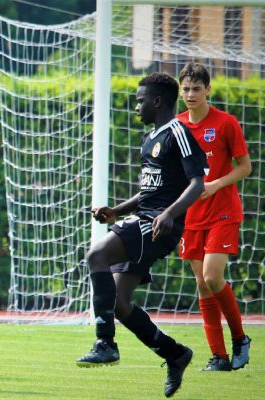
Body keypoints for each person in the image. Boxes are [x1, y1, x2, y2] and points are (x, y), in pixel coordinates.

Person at [75, 72, 207, 398]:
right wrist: (116, 211)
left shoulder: (179, 132)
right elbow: (150, 191)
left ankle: (105, 342)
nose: (136, 106)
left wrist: (168, 214)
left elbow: (197, 184)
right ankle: (174, 354)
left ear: (157, 100)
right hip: (145, 217)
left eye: (140, 99)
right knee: (120, 303)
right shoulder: (150, 137)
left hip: (158, 224)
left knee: (96, 256)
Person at [177, 63, 252, 371]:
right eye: (186, 89)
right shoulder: (176, 127)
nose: (191, 94)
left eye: (197, 88)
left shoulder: (225, 123)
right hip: (191, 216)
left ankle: (240, 338)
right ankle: (218, 356)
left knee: (212, 276)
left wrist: (216, 184)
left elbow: (245, 166)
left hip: (222, 211)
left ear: (208, 89)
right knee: (202, 284)